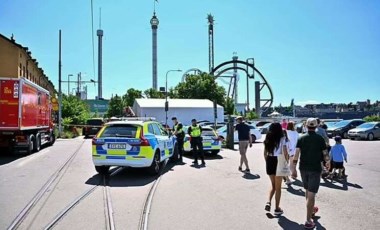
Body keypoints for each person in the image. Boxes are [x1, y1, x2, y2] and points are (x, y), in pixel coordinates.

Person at [293, 118, 330, 229]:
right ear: (316, 126)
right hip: (315, 168)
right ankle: (308, 220)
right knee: (311, 194)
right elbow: (325, 153)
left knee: (308, 191)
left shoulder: (301, 138)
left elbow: (296, 155)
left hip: (303, 168)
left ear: (306, 125)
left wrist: (293, 169)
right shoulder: (320, 138)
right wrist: (328, 162)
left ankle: (312, 210)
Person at [263, 123, 289, 215]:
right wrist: (286, 163)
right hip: (279, 160)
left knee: (273, 185)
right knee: (278, 188)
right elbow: (285, 153)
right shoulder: (283, 138)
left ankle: (268, 201)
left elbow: (265, 154)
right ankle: (277, 208)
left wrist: (267, 162)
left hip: (270, 160)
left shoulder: (268, 138)